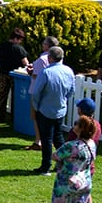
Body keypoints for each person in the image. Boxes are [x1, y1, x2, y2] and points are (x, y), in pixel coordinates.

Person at [40, 115, 97, 203]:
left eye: (77, 123)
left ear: (81, 128)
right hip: (84, 182)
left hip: (66, 183)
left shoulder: (71, 146)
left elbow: (55, 156)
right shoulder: (91, 144)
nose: (74, 125)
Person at [29, 46, 76, 176]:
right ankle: (63, 163)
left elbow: (36, 92)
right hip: (60, 109)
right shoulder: (69, 71)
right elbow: (71, 91)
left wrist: (37, 107)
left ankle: (45, 167)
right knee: (58, 136)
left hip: (45, 109)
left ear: (50, 58)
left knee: (47, 138)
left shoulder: (46, 73)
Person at [0, 28, 30, 124]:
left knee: (1, 95)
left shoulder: (2, 46)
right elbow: (25, 62)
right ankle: (15, 117)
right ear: (16, 38)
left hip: (3, 73)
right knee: (15, 97)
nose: (20, 42)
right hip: (15, 76)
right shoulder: (19, 49)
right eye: (20, 40)